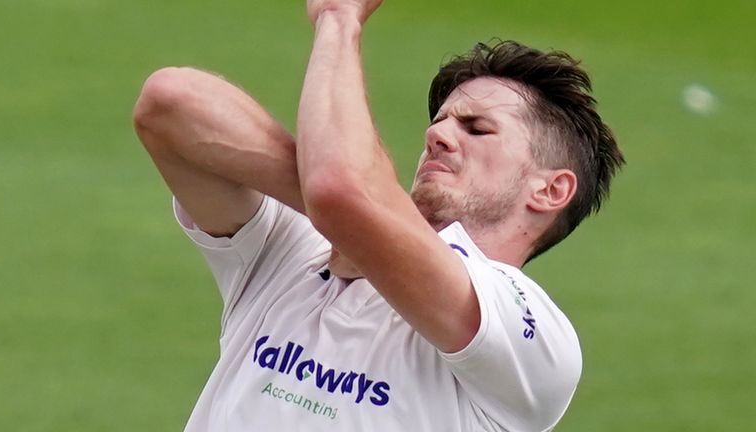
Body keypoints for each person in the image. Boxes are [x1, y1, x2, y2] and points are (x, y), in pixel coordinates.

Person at [133, 0, 624, 431]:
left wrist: (339, 16)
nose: (438, 135)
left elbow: (338, 190)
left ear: (550, 189)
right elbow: (169, 103)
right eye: (439, 122)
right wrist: (358, 223)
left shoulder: (529, 333)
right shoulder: (300, 253)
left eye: (477, 129)